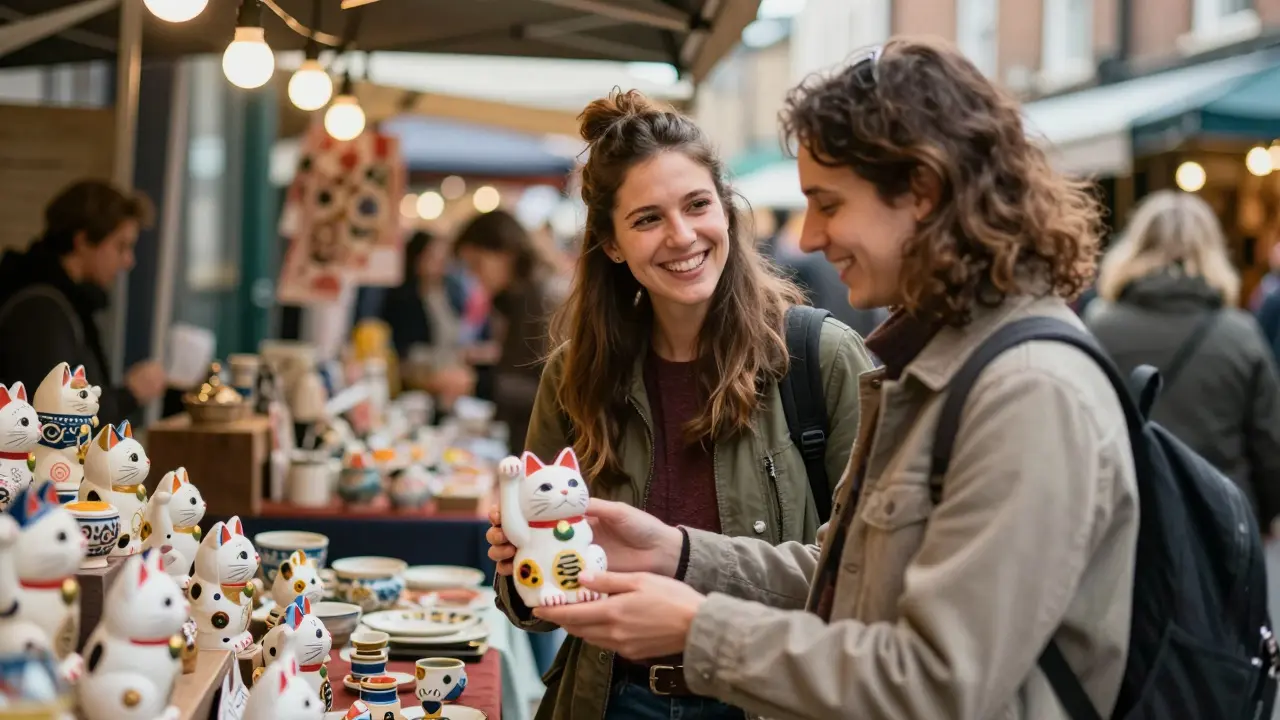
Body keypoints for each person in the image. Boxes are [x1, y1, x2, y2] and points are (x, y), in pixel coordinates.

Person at [494, 38, 1141, 720]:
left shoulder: (1024, 389)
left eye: (828, 203)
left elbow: (937, 683)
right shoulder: (952, 368)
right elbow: (850, 577)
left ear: (919, 192)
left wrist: (698, 627)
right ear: (612, 244)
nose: (807, 236)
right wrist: (677, 553)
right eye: (649, 218)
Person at [488, 89, 873, 720]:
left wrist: (680, 552)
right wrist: (520, 571)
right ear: (611, 244)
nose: (682, 236)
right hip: (610, 699)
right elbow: (531, 598)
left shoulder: (820, 358)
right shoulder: (575, 375)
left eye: (697, 205)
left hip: (764, 700)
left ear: (726, 210)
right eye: (646, 219)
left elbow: (862, 574)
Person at [1088, 190, 1280, 530]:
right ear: (1213, 250)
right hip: (1222, 524)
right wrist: (1259, 522)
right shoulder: (1240, 334)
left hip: (1129, 523)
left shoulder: (1100, 327)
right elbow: (1270, 447)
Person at [0, 179, 166, 425]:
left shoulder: (63, 302)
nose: (128, 261)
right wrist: (129, 394)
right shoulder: (41, 312)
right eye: (121, 247)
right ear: (83, 241)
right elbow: (56, 418)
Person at [453, 209, 559, 452]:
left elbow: (553, 393)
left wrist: (479, 384)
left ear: (507, 253)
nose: (475, 275)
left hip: (547, 454)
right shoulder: (513, 300)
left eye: (477, 263)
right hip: (525, 442)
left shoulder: (540, 299)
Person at [379, 230, 494, 409]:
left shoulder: (448, 291)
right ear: (416, 258)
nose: (440, 264)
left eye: (443, 258)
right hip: (420, 381)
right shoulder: (403, 298)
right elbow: (406, 351)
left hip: (451, 376)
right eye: (433, 257)